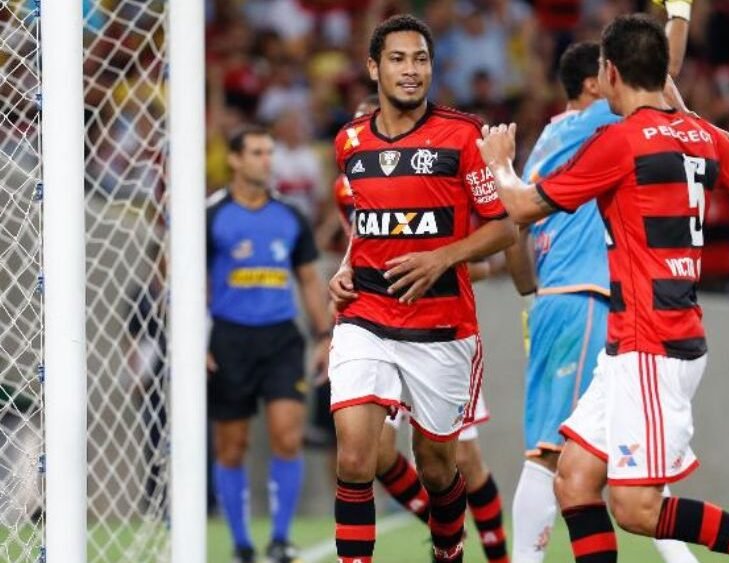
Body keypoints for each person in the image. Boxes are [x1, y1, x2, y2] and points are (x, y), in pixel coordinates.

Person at [478, 14, 729, 563]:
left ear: (614, 73)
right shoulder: (694, 135)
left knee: (637, 509)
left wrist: (500, 166)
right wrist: (692, 119)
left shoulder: (620, 143)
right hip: (633, 343)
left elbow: (523, 206)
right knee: (573, 477)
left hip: (653, 345)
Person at [327, 15, 516, 563]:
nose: (411, 71)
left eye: (420, 60)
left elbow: (502, 227)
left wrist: (442, 257)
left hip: (441, 326)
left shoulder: (463, 136)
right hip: (364, 316)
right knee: (356, 459)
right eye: (398, 59)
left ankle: (448, 552)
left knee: (437, 467)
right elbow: (367, 224)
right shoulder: (350, 142)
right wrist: (345, 267)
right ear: (373, 68)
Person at [506, 41, 697, 563]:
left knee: (627, 452)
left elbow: (514, 234)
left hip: (556, 299)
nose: (619, 80)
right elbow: (661, 84)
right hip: (586, 298)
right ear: (596, 83)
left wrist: (534, 290)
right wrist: (678, 14)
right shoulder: (596, 123)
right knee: (549, 454)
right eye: (611, 71)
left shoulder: (548, 138)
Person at [207, 126, 331, 563]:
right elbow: (189, 280)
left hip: (280, 338)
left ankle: (280, 539)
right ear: (235, 160)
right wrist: (195, 338)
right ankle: (241, 543)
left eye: (270, 152)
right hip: (228, 338)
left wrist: (325, 335)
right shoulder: (213, 214)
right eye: (257, 152)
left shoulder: (290, 216)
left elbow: (310, 280)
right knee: (231, 445)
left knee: (287, 436)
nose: (267, 160)